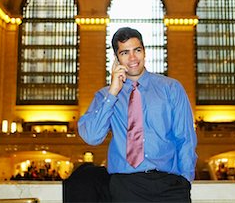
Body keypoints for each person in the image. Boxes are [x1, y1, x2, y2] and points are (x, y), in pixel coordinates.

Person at [78, 27, 197, 202]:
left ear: (144, 52)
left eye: (137, 50)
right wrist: (113, 93)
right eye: (125, 52)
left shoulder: (171, 88)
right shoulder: (105, 96)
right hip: (126, 187)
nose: (133, 58)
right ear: (116, 59)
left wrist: (185, 180)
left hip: (170, 185)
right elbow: (92, 137)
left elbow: (185, 137)